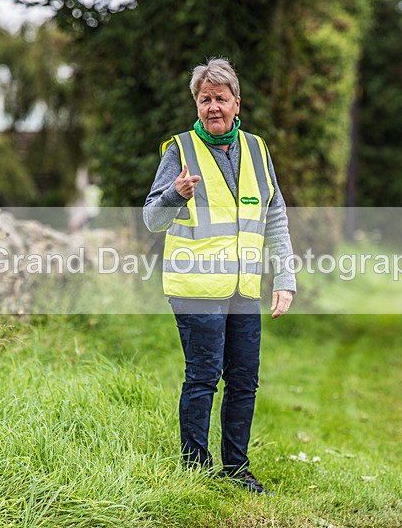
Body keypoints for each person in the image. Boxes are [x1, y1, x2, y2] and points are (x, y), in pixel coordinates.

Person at [143, 57, 296, 494]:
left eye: (220, 98)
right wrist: (175, 193)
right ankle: (194, 467)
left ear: (236, 102)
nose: (213, 107)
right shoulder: (180, 150)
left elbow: (275, 217)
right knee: (203, 376)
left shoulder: (257, 149)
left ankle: (236, 468)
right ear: (196, 103)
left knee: (244, 379)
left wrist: (284, 277)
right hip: (195, 287)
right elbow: (152, 219)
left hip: (243, 287)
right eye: (205, 99)